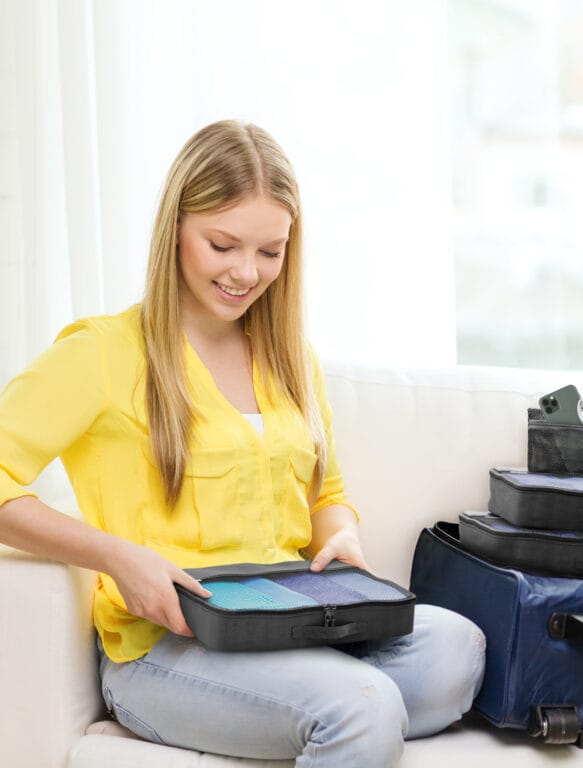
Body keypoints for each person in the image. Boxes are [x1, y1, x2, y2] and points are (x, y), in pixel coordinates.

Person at [0, 120, 485, 767]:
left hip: (286, 619)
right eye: (222, 245)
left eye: (270, 252)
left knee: (457, 649)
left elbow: (327, 495)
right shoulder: (101, 353)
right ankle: (342, 712)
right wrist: (118, 558)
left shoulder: (290, 359)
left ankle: (326, 709)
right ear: (175, 228)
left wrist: (341, 536)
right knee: (363, 707)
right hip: (166, 647)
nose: (246, 273)